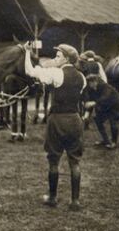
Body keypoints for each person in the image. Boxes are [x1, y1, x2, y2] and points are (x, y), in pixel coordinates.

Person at [24, 43, 86, 211]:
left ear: (66, 59)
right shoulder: (82, 77)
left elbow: (30, 71)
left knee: (53, 160)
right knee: (75, 162)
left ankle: (52, 197)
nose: (55, 59)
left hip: (58, 120)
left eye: (58, 56)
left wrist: (27, 53)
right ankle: (75, 201)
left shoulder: (56, 73)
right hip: (75, 119)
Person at [84, 74, 119, 149]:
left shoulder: (105, 86)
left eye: (91, 82)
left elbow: (105, 97)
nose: (90, 84)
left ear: (96, 81)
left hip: (117, 106)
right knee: (97, 120)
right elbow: (90, 101)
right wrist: (87, 114)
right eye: (89, 83)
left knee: (113, 122)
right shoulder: (90, 90)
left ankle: (114, 142)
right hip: (107, 107)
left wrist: (94, 103)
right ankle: (106, 140)